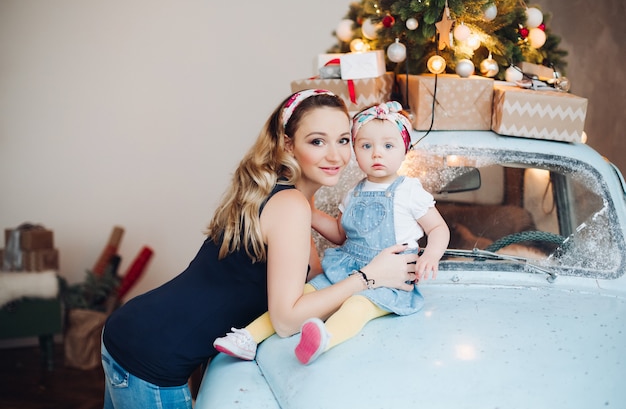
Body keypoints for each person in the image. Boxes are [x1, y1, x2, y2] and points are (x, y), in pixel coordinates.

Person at [100, 90, 419, 409]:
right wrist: (369, 277)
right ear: (288, 144)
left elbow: (316, 279)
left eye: (343, 140)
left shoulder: (288, 195)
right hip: (152, 357)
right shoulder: (290, 205)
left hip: (135, 332)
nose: (335, 156)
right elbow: (286, 319)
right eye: (317, 141)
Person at [213, 101, 450, 365]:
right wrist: (310, 213)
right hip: (350, 267)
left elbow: (438, 228)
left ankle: (325, 338)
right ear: (356, 151)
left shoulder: (409, 190)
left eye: (388, 146)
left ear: (405, 150)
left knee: (357, 307)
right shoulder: (354, 192)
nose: (376, 155)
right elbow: (340, 234)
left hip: (390, 279)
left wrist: (431, 254)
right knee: (305, 292)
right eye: (366, 146)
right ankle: (248, 336)